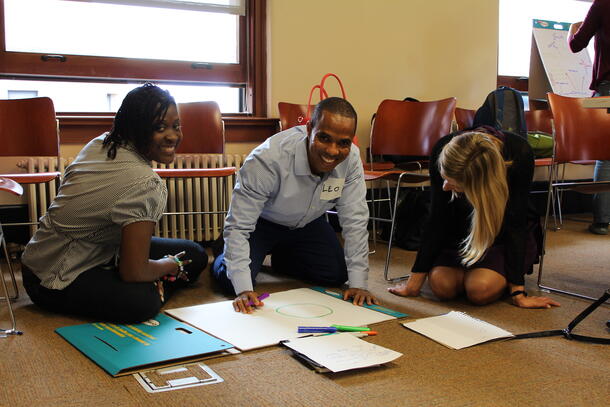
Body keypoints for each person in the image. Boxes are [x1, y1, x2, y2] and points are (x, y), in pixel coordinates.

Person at [21, 83, 207, 323]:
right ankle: (158, 285)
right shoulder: (146, 184)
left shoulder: (101, 143)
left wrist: (165, 265)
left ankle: (156, 278)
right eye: (159, 127)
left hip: (91, 250)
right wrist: (169, 265)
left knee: (195, 254)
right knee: (143, 300)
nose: (173, 136)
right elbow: (134, 272)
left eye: (176, 126)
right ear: (136, 127)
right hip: (51, 276)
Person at [212, 97, 378, 313]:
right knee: (231, 281)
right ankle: (222, 251)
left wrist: (359, 284)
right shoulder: (268, 159)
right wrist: (243, 289)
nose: (332, 151)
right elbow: (239, 227)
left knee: (336, 274)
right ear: (309, 129)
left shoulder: (351, 160)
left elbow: (355, 219)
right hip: (262, 223)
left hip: (308, 222)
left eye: (343, 143)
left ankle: (283, 255)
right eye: (324, 138)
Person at [389, 128, 560, 309]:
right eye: (444, 179)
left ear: (480, 185)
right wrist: (413, 284)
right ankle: (471, 271)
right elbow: (437, 219)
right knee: (442, 287)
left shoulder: (519, 152)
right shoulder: (444, 149)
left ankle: (485, 273)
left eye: (454, 183)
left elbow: (515, 222)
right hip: (457, 231)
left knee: (479, 290)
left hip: (499, 235)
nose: (445, 187)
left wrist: (518, 293)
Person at [568, 0, 610, 235]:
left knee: (606, 155)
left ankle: (602, 221)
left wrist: (572, 30)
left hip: (608, 88)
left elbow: (577, 45)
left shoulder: (602, 4)